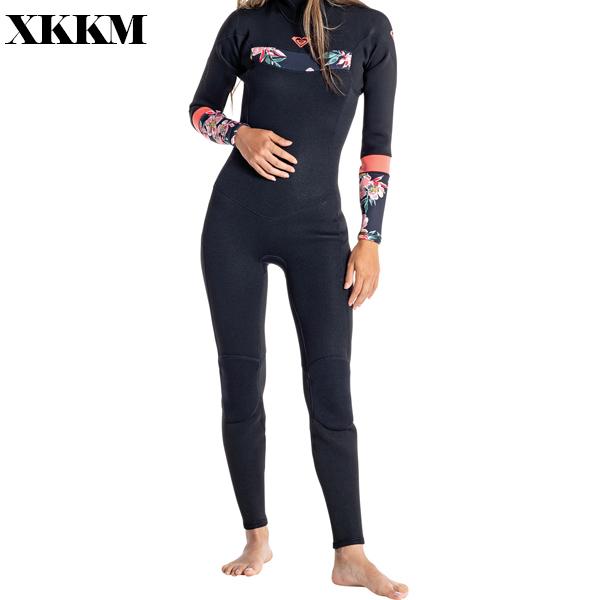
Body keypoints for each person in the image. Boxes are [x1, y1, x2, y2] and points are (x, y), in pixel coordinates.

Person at [189, 0, 406, 597]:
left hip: (319, 232)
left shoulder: (370, 29)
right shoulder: (245, 25)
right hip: (235, 223)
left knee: (331, 386)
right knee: (242, 379)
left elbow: (377, 145)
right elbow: (201, 109)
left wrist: (371, 238)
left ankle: (350, 554)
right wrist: (239, 133)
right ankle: (256, 537)